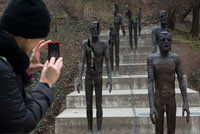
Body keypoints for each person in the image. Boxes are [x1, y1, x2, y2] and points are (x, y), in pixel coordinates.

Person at [0, 0, 63, 133]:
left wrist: (25, 71)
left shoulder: (5, 61)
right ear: (28, 37)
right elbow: (21, 123)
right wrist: (46, 83)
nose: (37, 43)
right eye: (39, 37)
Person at [147, 31, 190, 134]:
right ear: (158, 42)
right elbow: (150, 83)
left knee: (172, 130)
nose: (166, 42)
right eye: (163, 40)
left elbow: (181, 81)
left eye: (168, 40)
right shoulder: (151, 59)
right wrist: (151, 105)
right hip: (158, 100)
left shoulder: (175, 58)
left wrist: (186, 103)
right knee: (158, 131)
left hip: (171, 100)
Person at [77, 22, 112, 134]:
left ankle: (99, 129)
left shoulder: (104, 44)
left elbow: (108, 61)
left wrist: (110, 78)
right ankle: (90, 129)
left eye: (97, 28)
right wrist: (79, 78)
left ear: (100, 30)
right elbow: (82, 62)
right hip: (88, 76)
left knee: (98, 104)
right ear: (90, 30)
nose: (95, 30)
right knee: (88, 104)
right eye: (93, 28)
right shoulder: (85, 44)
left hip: (98, 76)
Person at [113, 3, 126, 76]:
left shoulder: (119, 16)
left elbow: (122, 24)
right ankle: (111, 70)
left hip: (117, 35)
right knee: (110, 54)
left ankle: (117, 70)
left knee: (117, 53)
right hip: (111, 36)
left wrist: (123, 31)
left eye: (115, 8)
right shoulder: (110, 17)